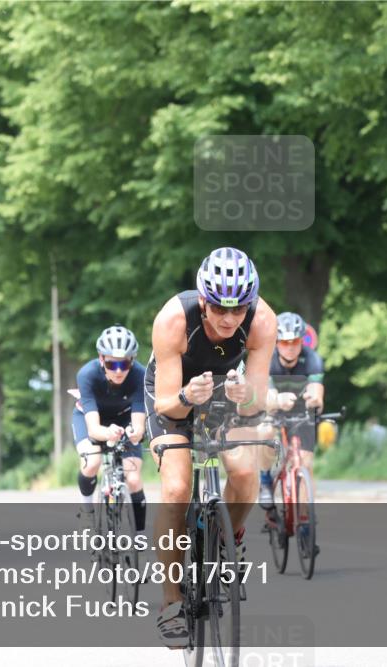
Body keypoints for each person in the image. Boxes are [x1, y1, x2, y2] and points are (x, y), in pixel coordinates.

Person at [144, 247, 277, 647]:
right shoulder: (173, 320)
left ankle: (228, 536)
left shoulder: (262, 321)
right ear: (203, 299)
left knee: (244, 469)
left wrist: (244, 394)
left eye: (239, 310)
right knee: (176, 489)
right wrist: (187, 394)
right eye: (220, 308)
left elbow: (257, 398)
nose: (229, 319)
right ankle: (171, 601)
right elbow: (167, 403)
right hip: (174, 392)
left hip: (223, 391)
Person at [73, 325, 147, 536]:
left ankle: (139, 534)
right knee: (92, 462)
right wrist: (108, 433)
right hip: (90, 418)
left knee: (132, 477)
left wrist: (135, 433)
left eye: (124, 364)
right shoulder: (87, 374)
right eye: (111, 363)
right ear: (101, 359)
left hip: (124, 419)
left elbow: (139, 425)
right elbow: (94, 429)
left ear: (132, 361)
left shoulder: (140, 375)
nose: (118, 370)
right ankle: (87, 511)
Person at [258, 311, 325, 508]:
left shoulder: (312, 358)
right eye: (284, 342)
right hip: (274, 408)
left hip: (301, 412)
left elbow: (317, 388)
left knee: (305, 463)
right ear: (276, 342)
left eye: (294, 342)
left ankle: (305, 519)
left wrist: (314, 398)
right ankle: (265, 481)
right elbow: (265, 396)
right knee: (265, 431)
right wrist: (278, 400)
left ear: (301, 342)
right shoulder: (268, 359)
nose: (290, 347)